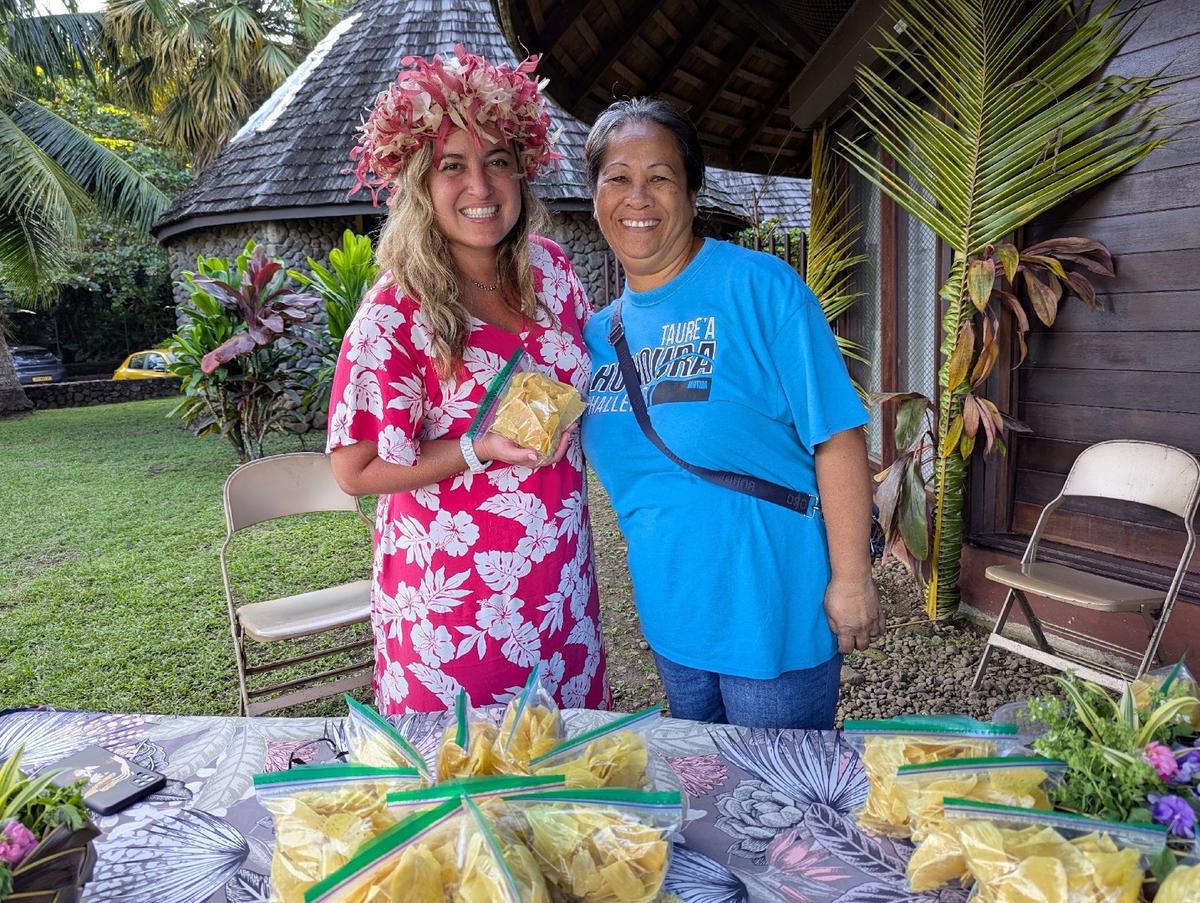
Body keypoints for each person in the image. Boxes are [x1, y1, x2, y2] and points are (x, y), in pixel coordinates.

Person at [580, 98, 884, 729]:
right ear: (595, 196)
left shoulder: (760, 287)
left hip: (773, 609)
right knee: (710, 804)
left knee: (783, 811)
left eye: (660, 177)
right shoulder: (593, 335)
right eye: (618, 177)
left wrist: (851, 579)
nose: (638, 196)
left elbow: (837, 434)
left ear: (691, 193)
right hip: (671, 619)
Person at [327, 46, 608, 714]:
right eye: (453, 166)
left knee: (566, 785)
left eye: (498, 163)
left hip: (561, 591)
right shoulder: (396, 313)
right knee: (462, 794)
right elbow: (355, 468)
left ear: (523, 174)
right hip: (453, 615)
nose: (480, 187)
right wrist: (477, 448)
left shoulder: (554, 274)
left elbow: (590, 382)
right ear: (420, 184)